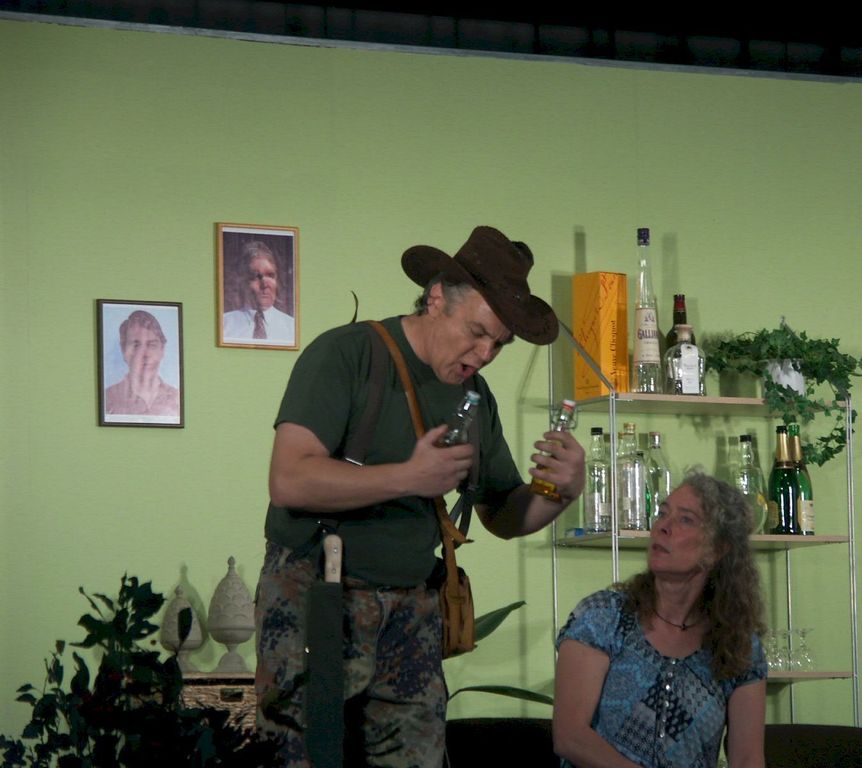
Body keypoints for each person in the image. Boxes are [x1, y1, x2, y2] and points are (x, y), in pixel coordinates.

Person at [254, 225, 585, 767]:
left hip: (412, 612)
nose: (485, 353)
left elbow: (503, 513)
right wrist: (409, 477)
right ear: (435, 299)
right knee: (301, 757)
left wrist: (562, 492)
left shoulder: (476, 396)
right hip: (319, 599)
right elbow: (290, 479)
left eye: (499, 344)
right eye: (477, 332)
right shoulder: (347, 354)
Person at [553, 472, 767, 768]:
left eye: (686, 519)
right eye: (663, 513)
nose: (663, 526)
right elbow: (571, 737)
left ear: (718, 549)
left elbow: (747, 758)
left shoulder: (738, 643)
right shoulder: (603, 616)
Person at [104, 309, 180, 417]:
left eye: (152, 345)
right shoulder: (107, 398)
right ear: (123, 350)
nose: (145, 354)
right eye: (136, 345)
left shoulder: (177, 398)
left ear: (162, 350)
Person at [222, 240, 295, 343]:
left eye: (270, 275)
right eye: (256, 276)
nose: (265, 284)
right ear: (242, 281)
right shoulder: (224, 324)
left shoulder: (292, 328)